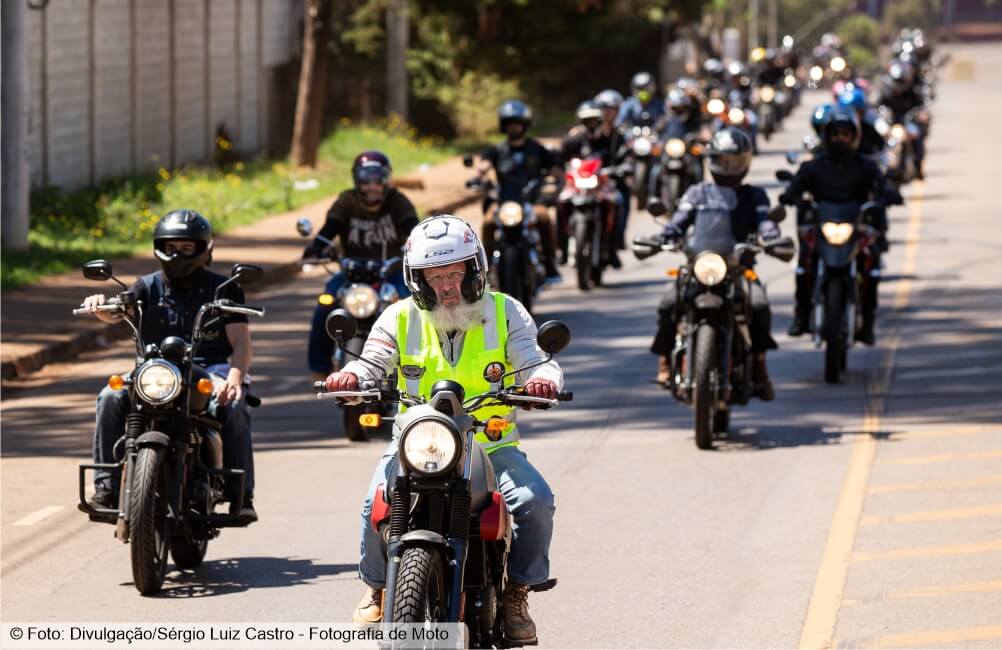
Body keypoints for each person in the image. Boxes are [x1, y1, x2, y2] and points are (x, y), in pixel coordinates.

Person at [324, 216, 562, 644]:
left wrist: (543, 381)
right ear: (418, 281)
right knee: (374, 503)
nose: (447, 287)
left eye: (455, 274)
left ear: (475, 271)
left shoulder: (506, 311)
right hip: (417, 444)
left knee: (535, 501)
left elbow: (535, 359)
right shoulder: (399, 316)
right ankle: (378, 587)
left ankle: (517, 592)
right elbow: (372, 360)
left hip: (491, 443)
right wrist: (351, 377)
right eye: (435, 278)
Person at [80, 210, 259, 523]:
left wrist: (235, 376)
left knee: (234, 405)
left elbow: (241, 342)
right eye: (172, 247)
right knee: (109, 396)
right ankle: (106, 487)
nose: (178, 254)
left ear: (203, 249)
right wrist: (99, 306)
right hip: (154, 372)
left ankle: (241, 495)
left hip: (209, 370)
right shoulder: (146, 286)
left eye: (187, 248)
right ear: (159, 247)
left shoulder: (225, 289)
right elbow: (118, 310)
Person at [650, 128, 779, 399]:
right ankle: (664, 361)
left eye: (734, 161)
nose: (728, 166)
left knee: (759, 305)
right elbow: (679, 220)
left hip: (738, 268)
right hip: (699, 265)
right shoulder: (697, 193)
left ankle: (759, 366)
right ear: (712, 160)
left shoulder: (755, 195)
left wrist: (771, 237)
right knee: (668, 303)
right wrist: (665, 236)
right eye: (722, 160)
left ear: (745, 161)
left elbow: (765, 221)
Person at [302, 151, 418, 379]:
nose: (372, 185)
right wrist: (316, 247)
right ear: (357, 179)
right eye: (366, 178)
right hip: (351, 274)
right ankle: (320, 371)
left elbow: (413, 228)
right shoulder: (347, 201)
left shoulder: (397, 201)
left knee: (414, 309)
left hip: (390, 272)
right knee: (325, 306)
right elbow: (330, 228)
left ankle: (416, 368)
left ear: (386, 179)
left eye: (378, 178)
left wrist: (420, 247)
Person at [780, 106, 889, 344]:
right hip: (823, 226)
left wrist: (889, 194)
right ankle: (801, 316)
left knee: (872, 264)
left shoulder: (866, 166)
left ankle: (868, 323)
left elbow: (881, 185)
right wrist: (790, 195)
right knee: (804, 263)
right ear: (827, 136)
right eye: (835, 133)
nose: (840, 138)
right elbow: (798, 183)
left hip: (854, 227)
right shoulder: (814, 166)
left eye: (845, 134)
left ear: (854, 136)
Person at [476, 100, 562, 280]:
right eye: (509, 124)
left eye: (517, 123)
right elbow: (484, 164)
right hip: (504, 202)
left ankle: (549, 264)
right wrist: (481, 173)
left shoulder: (537, 149)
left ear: (525, 124)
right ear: (503, 126)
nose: (513, 127)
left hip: (531, 201)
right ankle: (485, 268)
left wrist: (557, 175)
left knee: (545, 218)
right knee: (488, 222)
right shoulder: (497, 150)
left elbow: (555, 168)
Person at [560, 100, 626, 267]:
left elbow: (624, 157)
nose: (591, 124)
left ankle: (612, 248)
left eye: (594, 120)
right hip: (578, 186)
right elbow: (559, 157)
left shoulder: (611, 138)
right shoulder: (574, 139)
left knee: (617, 201)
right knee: (561, 202)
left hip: (603, 185)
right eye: (587, 120)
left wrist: (622, 168)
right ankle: (563, 249)